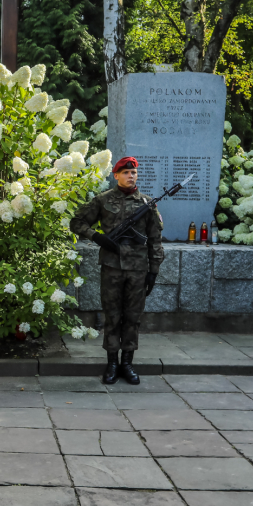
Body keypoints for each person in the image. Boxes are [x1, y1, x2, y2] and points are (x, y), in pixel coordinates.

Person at [70, 156, 164, 386]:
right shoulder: (102, 200)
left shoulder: (147, 203)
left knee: (132, 317)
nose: (130, 176)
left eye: (133, 172)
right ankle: (112, 363)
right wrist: (97, 237)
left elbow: (155, 239)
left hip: (138, 269)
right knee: (112, 316)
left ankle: (128, 363)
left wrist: (154, 270)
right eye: (125, 172)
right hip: (112, 267)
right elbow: (77, 222)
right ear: (116, 175)